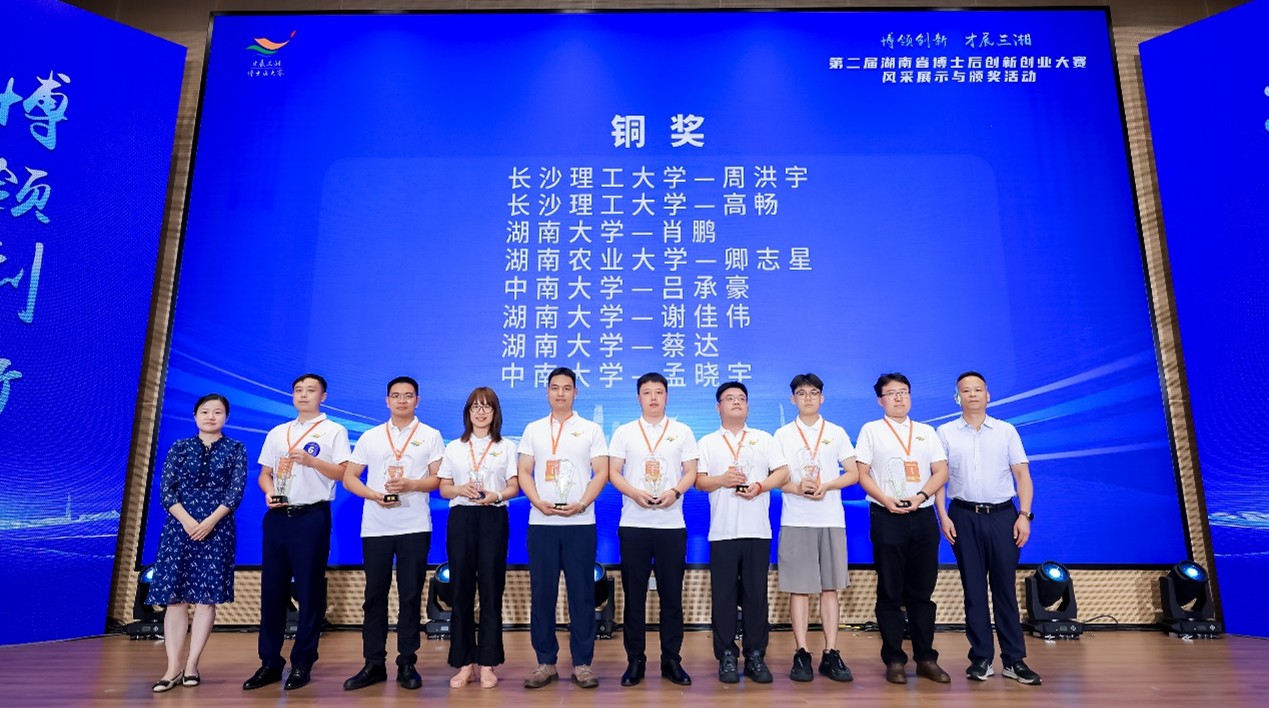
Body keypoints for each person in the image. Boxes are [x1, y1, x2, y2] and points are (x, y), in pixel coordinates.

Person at [243, 374, 350, 692]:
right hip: (277, 517)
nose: (303, 395)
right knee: (272, 590)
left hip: (311, 516)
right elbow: (265, 473)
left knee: (309, 591)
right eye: (298, 390)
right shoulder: (278, 432)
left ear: (323, 396)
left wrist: (312, 461)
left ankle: (302, 662)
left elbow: (343, 473)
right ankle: (269, 662)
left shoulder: (334, 430)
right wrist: (269, 491)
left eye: (311, 390)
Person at [936, 371, 1041, 685]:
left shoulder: (1006, 431)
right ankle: (981, 658)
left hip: (1003, 516)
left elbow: (1022, 475)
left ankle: (1014, 660)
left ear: (988, 395)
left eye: (978, 389)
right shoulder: (944, 432)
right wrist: (943, 516)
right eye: (965, 391)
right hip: (962, 515)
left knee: (1004, 588)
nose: (972, 395)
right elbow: (939, 478)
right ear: (958, 397)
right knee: (974, 590)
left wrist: (1024, 515)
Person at [341, 376, 444, 691]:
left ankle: (407, 662)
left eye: (408, 395)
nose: (402, 401)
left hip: (414, 525)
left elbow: (438, 479)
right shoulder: (371, 436)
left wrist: (412, 484)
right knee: (374, 596)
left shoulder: (430, 435)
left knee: (410, 596)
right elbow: (349, 477)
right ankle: (373, 663)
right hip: (376, 527)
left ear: (417, 400)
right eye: (396, 396)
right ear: (387, 401)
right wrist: (372, 495)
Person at [854, 373, 950, 686]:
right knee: (890, 591)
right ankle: (894, 659)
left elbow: (941, 471)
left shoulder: (926, 432)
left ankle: (926, 658)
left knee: (922, 592)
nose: (899, 398)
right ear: (880, 400)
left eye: (904, 392)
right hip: (886, 515)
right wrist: (886, 499)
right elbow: (862, 474)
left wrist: (921, 496)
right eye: (892, 393)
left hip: (922, 516)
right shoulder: (871, 430)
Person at [147, 393, 247, 692]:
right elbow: (167, 492)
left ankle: (192, 665)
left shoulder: (236, 449)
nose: (211, 416)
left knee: (206, 599)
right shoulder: (179, 447)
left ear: (226, 417)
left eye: (217, 412)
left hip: (218, 529)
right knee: (175, 599)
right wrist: (189, 522)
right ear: (195, 416)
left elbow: (235, 493)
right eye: (205, 411)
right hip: (179, 529)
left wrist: (209, 522)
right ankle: (172, 668)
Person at [517, 366, 609, 689]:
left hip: (580, 522)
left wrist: (582, 503)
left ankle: (582, 664)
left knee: (582, 594)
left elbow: (601, 472)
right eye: (555, 387)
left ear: (575, 392)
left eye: (567, 388)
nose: (560, 393)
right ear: (547, 392)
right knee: (542, 593)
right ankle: (545, 662)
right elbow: (524, 471)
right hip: (542, 522)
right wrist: (536, 501)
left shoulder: (591, 430)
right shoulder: (533, 429)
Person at [607, 372, 698, 687]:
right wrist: (634, 493)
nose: (653, 398)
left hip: (671, 524)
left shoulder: (682, 431)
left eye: (659, 392)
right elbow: (613, 472)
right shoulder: (624, 432)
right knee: (634, 596)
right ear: (638, 398)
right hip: (634, 523)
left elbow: (691, 471)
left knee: (672, 595)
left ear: (667, 396)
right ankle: (635, 660)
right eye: (647, 392)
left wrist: (675, 492)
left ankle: (671, 660)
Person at [695, 381, 789, 685]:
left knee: (755, 596)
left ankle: (755, 655)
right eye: (729, 398)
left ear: (748, 406)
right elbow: (699, 481)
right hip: (722, 531)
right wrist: (722, 480)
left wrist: (760, 486)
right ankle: (726, 654)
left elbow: (783, 472)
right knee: (722, 597)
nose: (736, 402)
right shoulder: (707, 442)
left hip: (757, 530)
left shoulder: (764, 438)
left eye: (741, 398)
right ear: (718, 407)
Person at [772, 373, 859, 683]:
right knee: (799, 588)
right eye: (801, 393)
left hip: (830, 518)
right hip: (796, 519)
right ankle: (802, 652)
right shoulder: (782, 434)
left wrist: (828, 485)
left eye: (813, 393)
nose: (807, 398)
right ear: (792, 399)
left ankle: (831, 652)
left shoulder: (836, 432)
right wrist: (797, 488)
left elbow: (853, 473)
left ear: (822, 398)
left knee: (829, 588)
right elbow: (777, 478)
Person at [438, 386, 520, 689]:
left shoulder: (506, 446)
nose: (481, 412)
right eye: (475, 406)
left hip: (493, 517)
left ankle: (487, 663)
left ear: (495, 412)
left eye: (487, 406)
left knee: (490, 589)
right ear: (468, 412)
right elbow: (443, 488)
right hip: (461, 517)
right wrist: (460, 489)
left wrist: (496, 495)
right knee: (460, 591)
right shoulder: (454, 447)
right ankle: (464, 664)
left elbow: (514, 487)